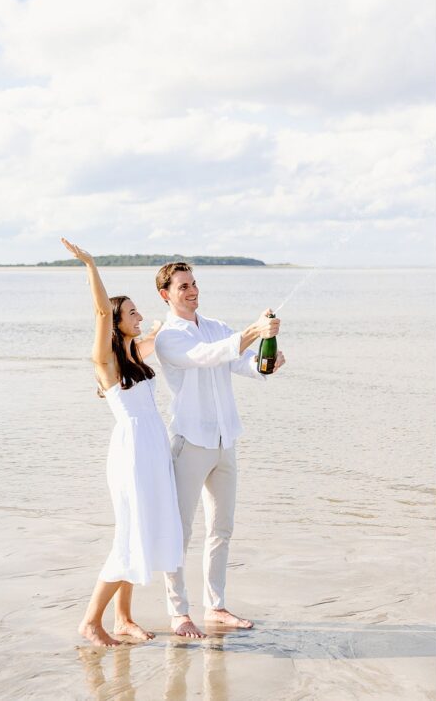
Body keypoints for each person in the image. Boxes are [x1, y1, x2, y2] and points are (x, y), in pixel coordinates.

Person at [63, 238, 184, 648]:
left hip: (152, 449)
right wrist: (91, 265)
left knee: (144, 532)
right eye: (132, 312)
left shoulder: (135, 354)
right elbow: (100, 309)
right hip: (131, 452)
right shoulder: (107, 361)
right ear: (115, 321)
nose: (140, 316)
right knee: (129, 536)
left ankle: (124, 617)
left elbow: (166, 333)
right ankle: (91, 622)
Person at [153, 261, 284, 638]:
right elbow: (207, 356)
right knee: (180, 531)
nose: (192, 291)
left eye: (194, 283)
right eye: (183, 287)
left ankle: (216, 606)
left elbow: (246, 365)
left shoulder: (215, 326)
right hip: (190, 442)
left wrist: (268, 357)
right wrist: (252, 330)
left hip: (226, 441)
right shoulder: (168, 337)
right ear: (166, 294)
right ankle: (179, 612)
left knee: (221, 528)